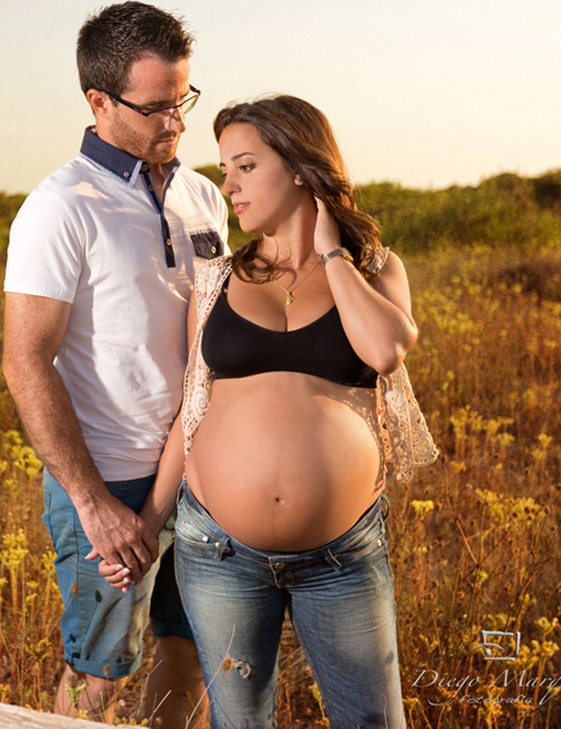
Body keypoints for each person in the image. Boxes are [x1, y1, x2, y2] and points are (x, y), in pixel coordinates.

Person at [100, 95, 417, 729]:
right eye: (225, 168)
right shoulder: (216, 279)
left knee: (373, 721)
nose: (229, 185)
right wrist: (147, 528)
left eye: (245, 166)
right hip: (217, 550)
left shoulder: (373, 270)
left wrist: (331, 254)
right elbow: (192, 412)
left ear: (300, 166)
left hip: (342, 557)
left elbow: (385, 350)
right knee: (239, 721)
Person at [2, 1, 229, 726]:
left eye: (183, 99)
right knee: (97, 671)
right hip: (109, 479)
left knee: (189, 644)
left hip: (200, 469)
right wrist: (95, 505)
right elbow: (25, 361)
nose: (178, 122)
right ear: (99, 101)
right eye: (158, 106)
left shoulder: (205, 199)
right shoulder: (60, 207)